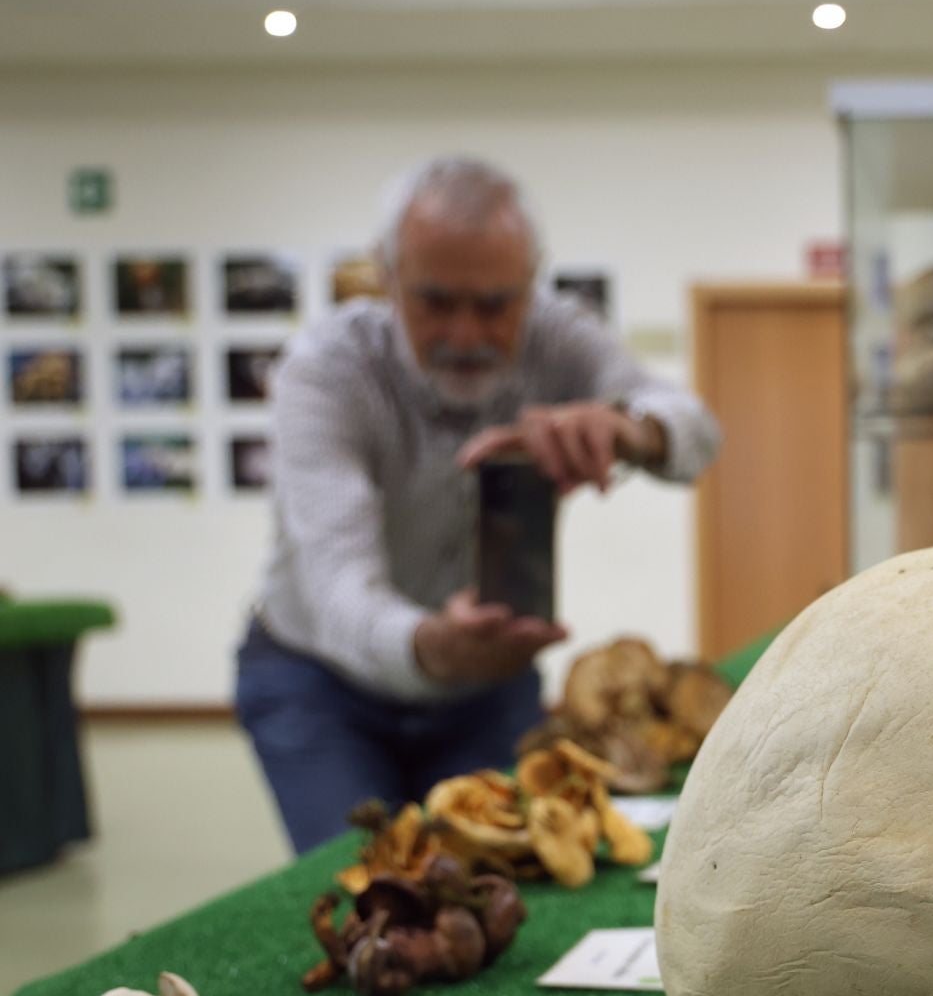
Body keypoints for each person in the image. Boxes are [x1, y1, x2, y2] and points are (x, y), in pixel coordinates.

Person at [235, 156, 721, 854]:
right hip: (318, 683)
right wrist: (432, 647)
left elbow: (698, 430)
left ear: (532, 279)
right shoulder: (325, 371)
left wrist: (629, 428)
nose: (466, 334)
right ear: (386, 275)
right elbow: (339, 589)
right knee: (365, 881)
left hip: (487, 684)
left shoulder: (559, 335)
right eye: (436, 301)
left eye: (495, 305)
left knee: (505, 880)